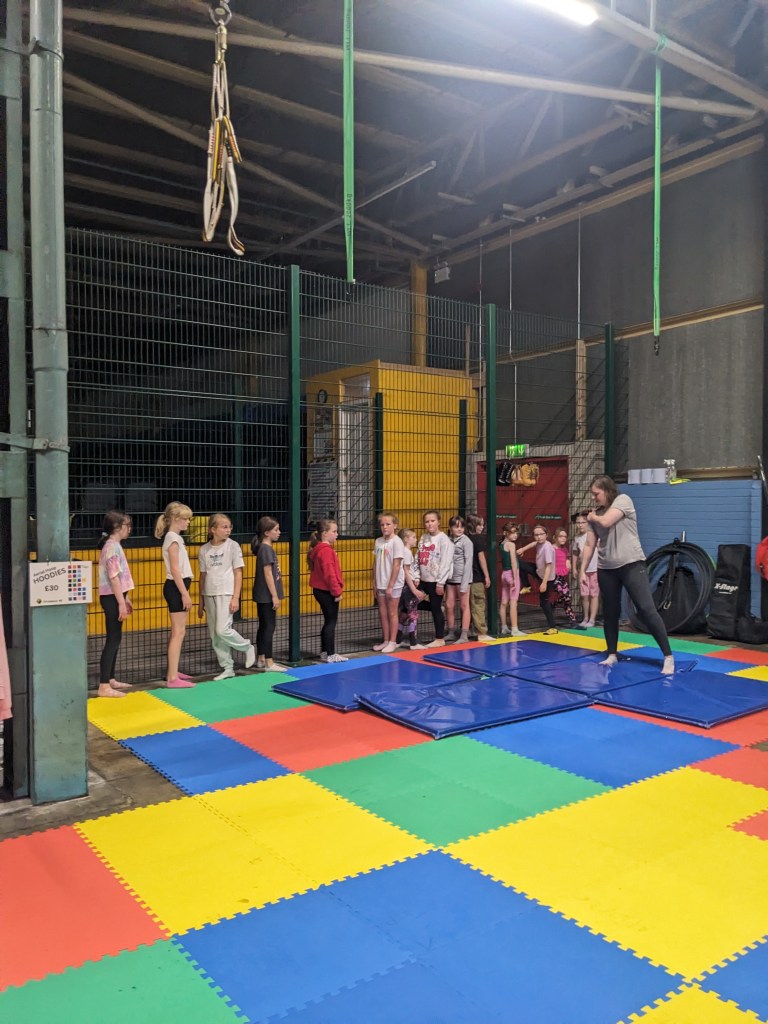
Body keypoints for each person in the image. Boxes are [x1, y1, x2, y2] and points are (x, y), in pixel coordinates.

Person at [578, 474, 674, 674]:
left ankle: (668, 656)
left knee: (646, 609)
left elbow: (606, 522)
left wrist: (592, 517)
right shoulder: (596, 514)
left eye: (596, 493)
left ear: (607, 490)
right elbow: (589, 544)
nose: (594, 498)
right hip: (606, 568)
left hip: (631, 564)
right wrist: (582, 569)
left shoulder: (623, 501)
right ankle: (612, 653)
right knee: (611, 612)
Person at [198, 513, 256, 680]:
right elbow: (203, 575)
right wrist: (201, 600)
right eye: (224, 527)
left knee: (222, 629)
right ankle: (227, 667)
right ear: (212, 529)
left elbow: (238, 572)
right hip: (209, 593)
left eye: (229, 527)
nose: (228, 530)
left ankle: (246, 646)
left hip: (226, 592)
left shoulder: (233, 546)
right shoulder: (204, 549)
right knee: (215, 635)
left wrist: (235, 597)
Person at [155, 502, 196, 688]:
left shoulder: (175, 538)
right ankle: (172, 678)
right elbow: (175, 569)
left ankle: (173, 670)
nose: (188, 522)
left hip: (178, 585)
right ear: (175, 519)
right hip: (176, 586)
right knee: (178, 632)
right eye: (185, 519)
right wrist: (184, 594)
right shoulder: (172, 538)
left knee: (179, 632)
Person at [97, 510, 135, 698]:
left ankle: (110, 679)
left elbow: (118, 577)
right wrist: (120, 602)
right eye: (127, 525)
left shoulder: (114, 546)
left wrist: (125, 598)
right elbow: (113, 577)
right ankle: (104, 684)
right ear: (117, 527)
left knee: (116, 637)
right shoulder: (112, 547)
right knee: (112, 639)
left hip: (115, 596)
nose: (129, 529)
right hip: (112, 597)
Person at [251, 516, 288, 672]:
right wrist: (274, 595)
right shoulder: (266, 549)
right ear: (266, 533)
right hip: (266, 595)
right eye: (276, 530)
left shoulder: (264, 548)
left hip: (264, 594)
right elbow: (268, 574)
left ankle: (261, 658)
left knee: (264, 626)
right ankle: (269, 662)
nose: (279, 532)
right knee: (269, 627)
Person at [308, 518, 347, 663]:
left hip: (321, 590)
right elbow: (329, 574)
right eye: (334, 531)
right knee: (331, 622)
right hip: (326, 591)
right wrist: (337, 592)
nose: (337, 534)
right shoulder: (325, 551)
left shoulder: (320, 549)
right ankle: (330, 653)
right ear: (325, 533)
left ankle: (325, 651)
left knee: (328, 621)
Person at [417, 509, 454, 648]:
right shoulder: (424, 537)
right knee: (409, 602)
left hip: (436, 580)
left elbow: (445, 563)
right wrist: (416, 576)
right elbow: (419, 557)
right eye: (427, 521)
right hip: (423, 578)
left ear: (439, 522)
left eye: (432, 521)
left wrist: (440, 582)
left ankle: (439, 638)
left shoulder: (444, 540)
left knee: (436, 608)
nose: (429, 524)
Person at [372, 512, 405, 654]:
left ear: (395, 525)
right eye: (382, 525)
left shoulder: (397, 542)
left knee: (392, 612)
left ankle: (393, 641)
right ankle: (385, 640)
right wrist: (374, 582)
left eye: (388, 524)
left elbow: (396, 565)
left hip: (393, 583)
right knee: (383, 612)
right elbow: (375, 563)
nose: (385, 527)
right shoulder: (378, 541)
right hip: (381, 582)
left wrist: (390, 585)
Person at [517, 525, 559, 634]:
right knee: (520, 564)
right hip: (539, 571)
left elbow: (549, 566)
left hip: (547, 578)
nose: (539, 537)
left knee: (544, 602)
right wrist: (523, 549)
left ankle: (553, 627)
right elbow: (533, 543)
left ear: (546, 535)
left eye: (541, 534)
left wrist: (544, 583)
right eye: (536, 535)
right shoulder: (539, 543)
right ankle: (527, 586)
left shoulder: (547, 548)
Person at [395, 528, 426, 649]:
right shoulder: (407, 552)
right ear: (406, 540)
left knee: (403, 614)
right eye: (413, 537)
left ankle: (398, 639)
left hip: (405, 585)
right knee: (413, 614)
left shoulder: (403, 551)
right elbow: (406, 572)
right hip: (408, 585)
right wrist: (413, 589)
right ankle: (413, 642)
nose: (416, 539)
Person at [445, 515, 473, 644]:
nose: (460, 529)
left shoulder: (466, 541)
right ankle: (451, 632)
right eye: (456, 527)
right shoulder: (448, 540)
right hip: (450, 578)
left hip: (462, 578)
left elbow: (468, 562)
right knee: (449, 605)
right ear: (451, 528)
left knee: (464, 605)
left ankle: (464, 635)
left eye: (462, 526)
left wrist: (464, 583)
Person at [465, 514, 493, 642]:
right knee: (478, 604)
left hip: (465, 578)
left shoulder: (464, 538)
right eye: (479, 525)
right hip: (476, 577)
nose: (482, 527)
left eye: (483, 524)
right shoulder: (477, 539)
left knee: (467, 605)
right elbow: (481, 558)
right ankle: (481, 632)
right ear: (473, 525)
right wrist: (487, 575)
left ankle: (467, 629)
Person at [498, 521, 525, 637]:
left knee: (504, 602)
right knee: (513, 602)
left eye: (516, 533)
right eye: (512, 533)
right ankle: (514, 629)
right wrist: (514, 578)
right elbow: (513, 562)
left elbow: (508, 558)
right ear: (505, 533)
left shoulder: (502, 544)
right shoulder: (511, 545)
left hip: (504, 574)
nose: (515, 535)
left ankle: (504, 627)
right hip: (512, 574)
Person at [573, 511, 599, 628]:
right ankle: (585, 618)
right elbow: (575, 553)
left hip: (595, 569)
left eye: (583, 522)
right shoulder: (577, 538)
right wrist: (574, 567)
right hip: (583, 571)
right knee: (584, 595)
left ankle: (592, 619)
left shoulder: (594, 535)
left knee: (594, 594)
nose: (580, 525)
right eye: (578, 523)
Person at [552, 528, 577, 626]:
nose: (563, 538)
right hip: (554, 577)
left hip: (562, 577)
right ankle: (552, 613)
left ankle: (572, 619)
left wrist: (568, 564)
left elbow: (567, 560)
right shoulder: (551, 548)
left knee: (567, 597)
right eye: (560, 536)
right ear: (555, 537)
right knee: (561, 594)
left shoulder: (565, 549)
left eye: (565, 537)